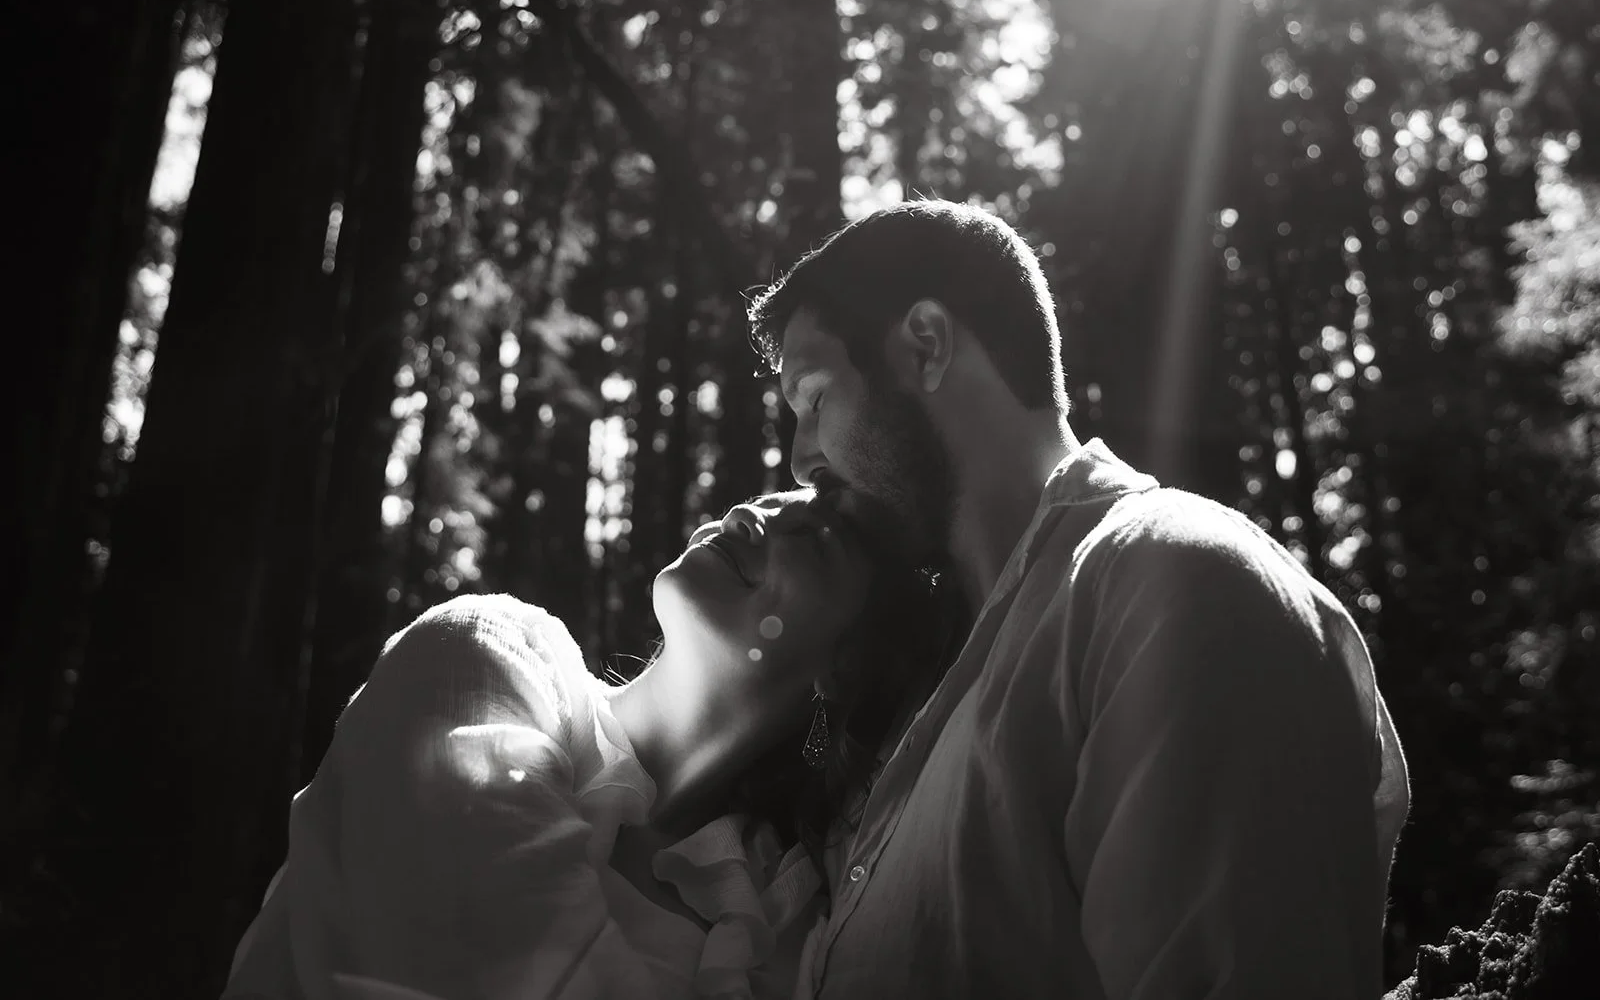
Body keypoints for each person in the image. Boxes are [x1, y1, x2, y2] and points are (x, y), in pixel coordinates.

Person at [747, 199, 1412, 999]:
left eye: (814, 398)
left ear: (925, 345)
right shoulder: (913, 692)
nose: (798, 459)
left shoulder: (1171, 586)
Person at [223, 489, 941, 1000]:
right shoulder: (485, 654)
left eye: (818, 534)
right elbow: (467, 961)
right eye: (782, 494)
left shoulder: (783, 921)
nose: (758, 511)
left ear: (844, 669)